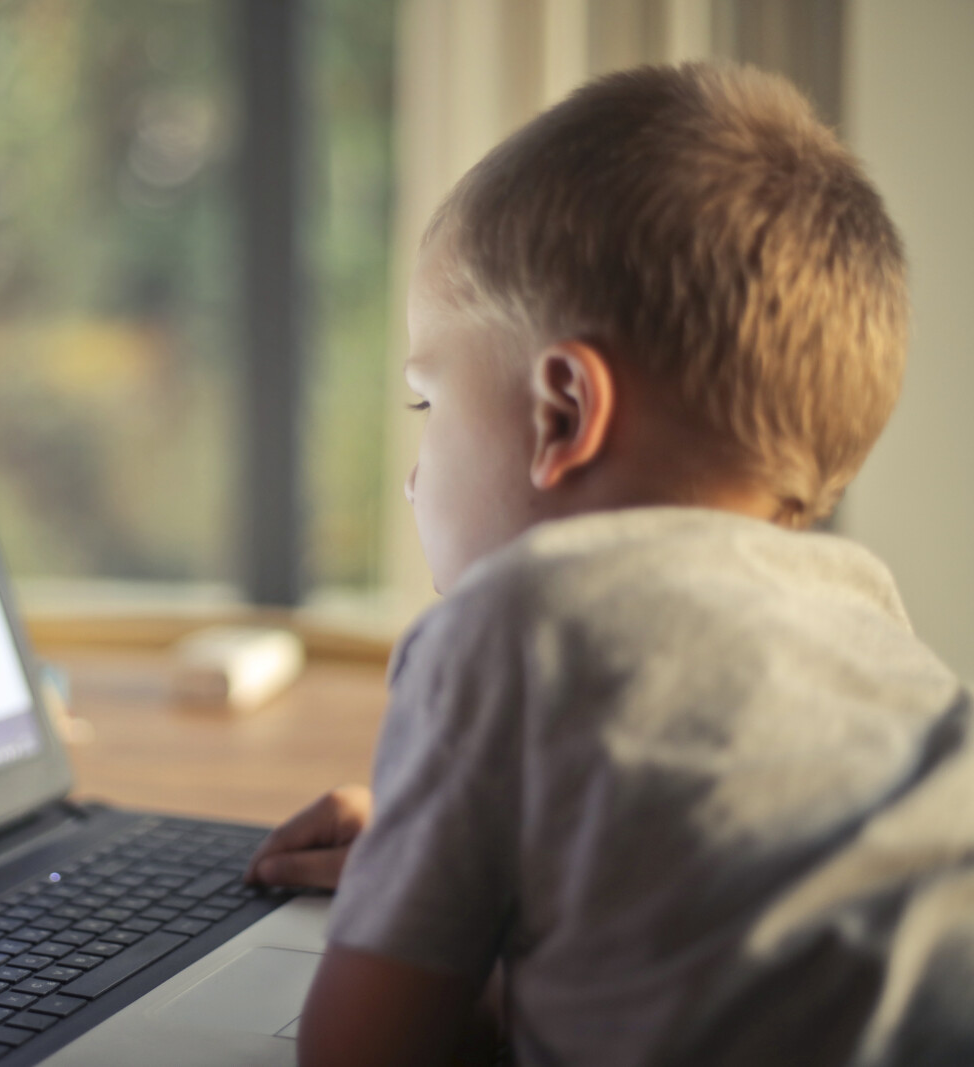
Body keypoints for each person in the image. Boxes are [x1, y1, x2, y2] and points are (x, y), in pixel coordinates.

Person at [246, 63, 974, 1066]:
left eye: (426, 404)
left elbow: (358, 1050)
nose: (412, 479)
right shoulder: (871, 619)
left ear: (563, 414)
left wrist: (416, 906)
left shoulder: (511, 624)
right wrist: (472, 858)